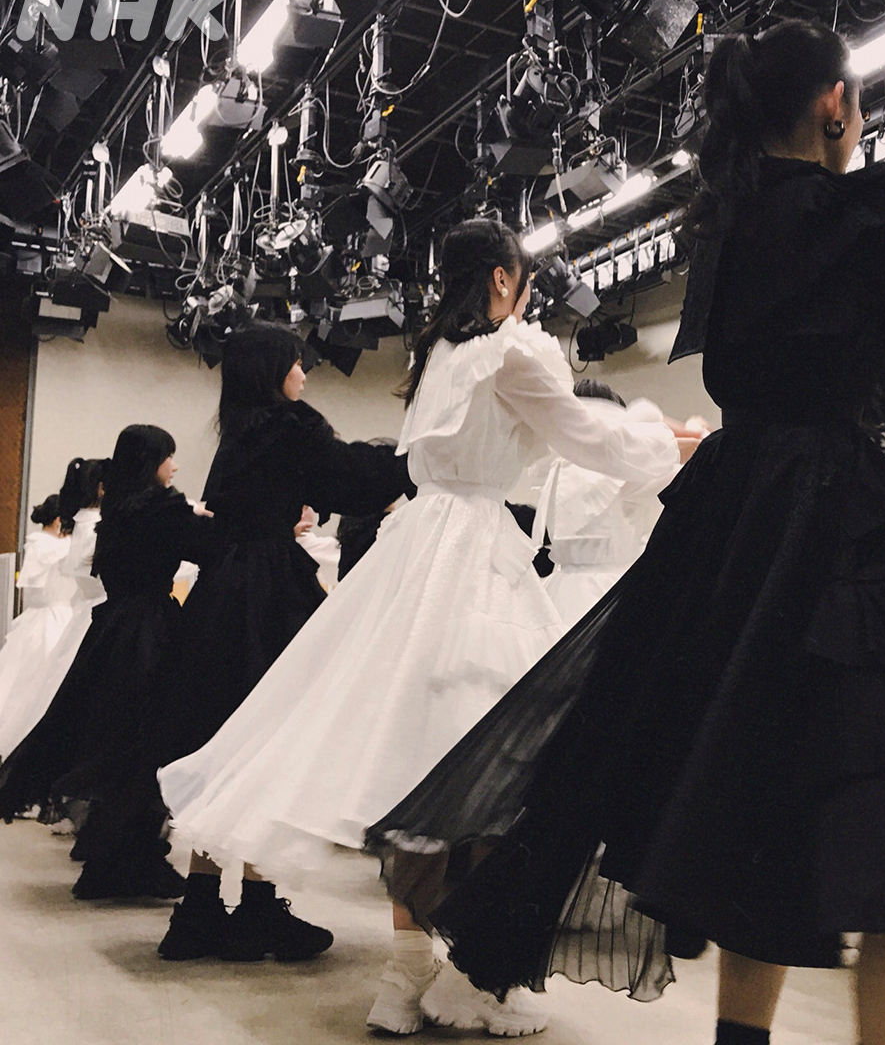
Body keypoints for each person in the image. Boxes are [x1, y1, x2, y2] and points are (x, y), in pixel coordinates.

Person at [363, 21, 885, 1045]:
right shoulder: (865, 217)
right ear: (834, 105)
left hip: (731, 527)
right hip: (839, 521)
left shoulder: (726, 228)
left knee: (756, 803)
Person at [158, 217, 685, 1035]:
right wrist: (664, 437)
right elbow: (587, 434)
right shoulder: (511, 350)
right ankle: (470, 978)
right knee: (495, 770)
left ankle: (405, 976)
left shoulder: (438, 354)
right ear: (504, 279)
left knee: (415, 764)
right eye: (524, 279)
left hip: (415, 556)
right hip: (472, 555)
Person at [150, 326, 413, 964]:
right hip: (269, 593)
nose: (305, 374)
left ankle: (200, 910)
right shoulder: (288, 427)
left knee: (224, 741)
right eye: (298, 363)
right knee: (273, 739)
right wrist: (417, 458)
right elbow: (351, 481)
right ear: (275, 371)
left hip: (222, 594)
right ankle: (259, 910)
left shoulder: (237, 432)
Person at [0, 426, 215, 900]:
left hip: (114, 627)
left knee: (117, 740)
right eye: (169, 457)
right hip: (149, 630)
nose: (175, 467)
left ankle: (111, 855)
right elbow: (207, 545)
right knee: (147, 741)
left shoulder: (115, 510)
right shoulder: (161, 509)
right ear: (151, 461)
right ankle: (128, 858)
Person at [540, 379, 683, 627]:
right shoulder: (623, 474)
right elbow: (683, 468)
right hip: (613, 589)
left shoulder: (554, 471)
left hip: (560, 589)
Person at [0, 496, 76, 746]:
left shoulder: (40, 545)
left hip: (42, 616)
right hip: (53, 616)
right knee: (41, 675)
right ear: (58, 521)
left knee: (21, 674)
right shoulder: (51, 547)